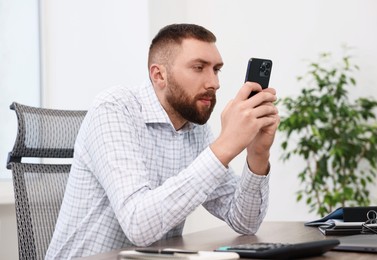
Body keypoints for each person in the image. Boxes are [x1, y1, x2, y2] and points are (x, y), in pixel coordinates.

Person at [45, 23, 279, 259]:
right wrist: (225, 146)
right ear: (159, 75)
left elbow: (245, 222)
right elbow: (138, 225)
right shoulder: (114, 108)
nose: (214, 83)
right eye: (199, 68)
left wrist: (258, 154)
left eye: (216, 70)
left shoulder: (196, 130)